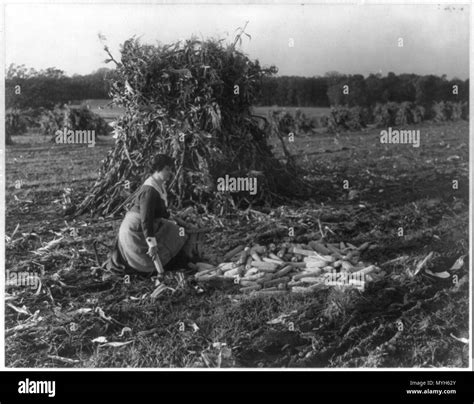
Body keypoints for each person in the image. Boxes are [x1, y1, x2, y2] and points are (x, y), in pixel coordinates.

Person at [103, 154, 197, 279]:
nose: (170, 173)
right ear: (158, 169)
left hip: (148, 224)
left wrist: (175, 216)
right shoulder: (150, 190)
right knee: (175, 232)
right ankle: (172, 263)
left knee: (176, 229)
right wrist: (152, 244)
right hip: (136, 230)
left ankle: (184, 259)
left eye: (170, 169)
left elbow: (160, 212)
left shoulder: (158, 185)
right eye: (167, 169)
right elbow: (146, 219)